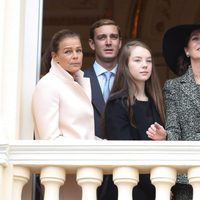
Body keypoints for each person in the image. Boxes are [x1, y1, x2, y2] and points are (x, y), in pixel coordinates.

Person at [102, 40, 166, 200]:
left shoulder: (156, 102)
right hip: (128, 188)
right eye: (137, 60)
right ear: (125, 65)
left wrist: (164, 138)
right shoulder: (117, 103)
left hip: (157, 185)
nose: (145, 65)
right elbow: (125, 154)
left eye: (148, 60)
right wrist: (157, 188)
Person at [149, 23, 200, 200]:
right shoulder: (173, 87)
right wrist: (165, 136)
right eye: (195, 38)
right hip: (186, 177)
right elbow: (174, 129)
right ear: (187, 50)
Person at [32, 29, 95, 140]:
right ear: (55, 56)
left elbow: (83, 134)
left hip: (84, 155)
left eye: (79, 50)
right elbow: (50, 139)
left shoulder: (80, 81)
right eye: (68, 51)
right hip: (63, 156)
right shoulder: (48, 85)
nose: (75, 56)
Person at [84, 18, 122, 138]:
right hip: (90, 153)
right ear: (92, 44)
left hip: (126, 153)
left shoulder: (131, 79)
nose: (108, 42)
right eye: (102, 37)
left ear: (120, 43)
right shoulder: (79, 80)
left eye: (114, 37)